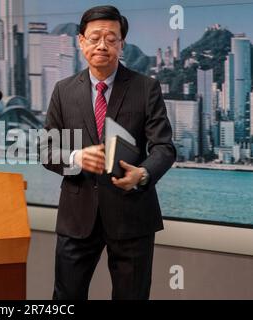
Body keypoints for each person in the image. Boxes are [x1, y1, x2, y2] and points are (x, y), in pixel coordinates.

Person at [41, 5, 176, 300]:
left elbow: (164, 147)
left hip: (132, 213)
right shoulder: (63, 90)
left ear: (122, 44)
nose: (102, 45)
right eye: (94, 37)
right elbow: (46, 149)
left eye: (111, 38)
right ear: (81, 41)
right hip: (77, 217)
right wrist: (76, 158)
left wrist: (143, 174)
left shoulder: (146, 88)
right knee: (65, 297)